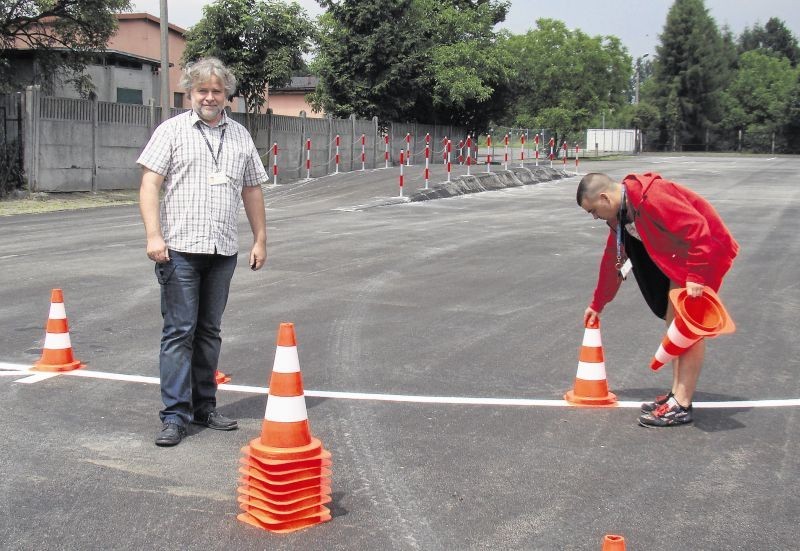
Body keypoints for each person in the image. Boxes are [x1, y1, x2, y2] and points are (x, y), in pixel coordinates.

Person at [137, 57, 268, 446]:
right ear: (189, 93)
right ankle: (175, 416)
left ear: (227, 96)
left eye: (217, 91)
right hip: (179, 250)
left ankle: (204, 406)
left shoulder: (240, 136)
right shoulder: (171, 131)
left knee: (209, 332)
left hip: (223, 250)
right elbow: (149, 185)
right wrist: (153, 235)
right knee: (179, 332)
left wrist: (260, 239)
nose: (210, 97)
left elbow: (252, 190)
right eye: (202, 90)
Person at [577, 172, 738, 427]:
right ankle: (676, 395)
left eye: (593, 210)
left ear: (605, 197)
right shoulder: (621, 216)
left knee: (688, 329)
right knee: (675, 326)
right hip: (683, 257)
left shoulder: (653, 196)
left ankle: (681, 405)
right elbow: (612, 262)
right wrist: (598, 304)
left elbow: (697, 228)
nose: (595, 217)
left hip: (702, 254)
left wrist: (696, 274)